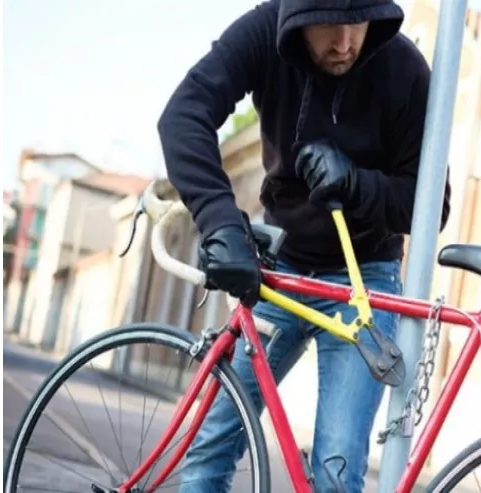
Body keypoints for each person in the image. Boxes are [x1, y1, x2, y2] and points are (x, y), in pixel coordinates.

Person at [157, 0, 451, 491]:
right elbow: (183, 116)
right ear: (299, 16)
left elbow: (431, 206)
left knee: (337, 470)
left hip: (364, 279)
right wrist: (221, 223)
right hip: (281, 270)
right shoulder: (263, 33)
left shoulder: (405, 69)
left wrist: (356, 183)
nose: (345, 43)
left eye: (357, 24)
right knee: (212, 444)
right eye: (330, 25)